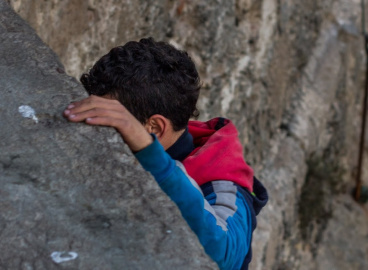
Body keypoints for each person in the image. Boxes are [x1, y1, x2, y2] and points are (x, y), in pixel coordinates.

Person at [63, 37, 268, 270]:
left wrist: (148, 150)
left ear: (155, 128)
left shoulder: (226, 186)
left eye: (113, 121)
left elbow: (222, 253)